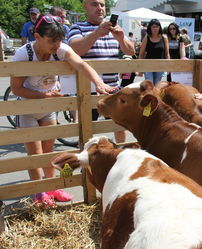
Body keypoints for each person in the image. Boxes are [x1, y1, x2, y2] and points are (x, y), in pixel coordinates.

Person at [11, 15, 114, 207]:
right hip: (27, 108)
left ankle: (52, 188)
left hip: (49, 107)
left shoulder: (59, 49)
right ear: (37, 36)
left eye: (59, 40)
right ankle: (39, 192)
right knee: (35, 155)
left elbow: (81, 64)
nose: (56, 45)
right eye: (52, 41)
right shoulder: (23, 54)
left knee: (49, 150)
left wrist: (98, 83)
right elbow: (16, 88)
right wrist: (44, 97)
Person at [68, 0, 135, 143]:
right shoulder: (77, 27)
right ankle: (89, 163)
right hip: (88, 89)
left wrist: (121, 38)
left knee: (119, 127)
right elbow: (75, 50)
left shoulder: (113, 27)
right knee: (87, 130)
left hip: (113, 88)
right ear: (85, 7)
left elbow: (131, 51)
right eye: (94, 4)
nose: (100, 8)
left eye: (102, 5)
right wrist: (96, 33)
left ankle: (120, 158)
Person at [139, 19, 170, 84]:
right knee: (150, 84)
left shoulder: (164, 38)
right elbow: (141, 54)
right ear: (150, 28)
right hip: (148, 65)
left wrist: (168, 66)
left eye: (157, 26)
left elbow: (167, 54)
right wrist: (140, 68)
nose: (155, 28)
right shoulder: (147, 37)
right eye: (153, 27)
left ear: (159, 27)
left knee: (157, 85)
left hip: (160, 65)